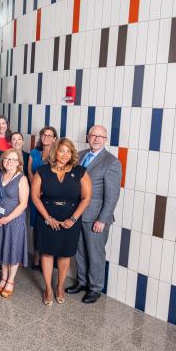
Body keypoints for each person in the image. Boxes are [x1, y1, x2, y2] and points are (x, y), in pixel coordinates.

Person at [31, 138, 92, 306]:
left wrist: (73, 219)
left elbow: (86, 198)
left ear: (72, 153)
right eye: (61, 150)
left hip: (70, 218)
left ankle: (60, 287)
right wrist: (47, 218)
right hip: (47, 216)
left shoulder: (80, 172)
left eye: (68, 151)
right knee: (47, 253)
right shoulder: (42, 171)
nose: (65, 154)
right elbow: (35, 196)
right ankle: (48, 289)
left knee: (65, 254)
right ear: (55, 152)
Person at [66, 125, 122, 304]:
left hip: (96, 218)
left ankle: (95, 288)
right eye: (93, 135)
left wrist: (102, 220)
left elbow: (112, 196)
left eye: (101, 136)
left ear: (106, 140)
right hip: (77, 214)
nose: (96, 139)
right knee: (79, 251)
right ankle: (82, 282)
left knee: (95, 254)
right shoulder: (80, 156)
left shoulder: (112, 162)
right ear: (88, 137)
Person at [0, 149, 30, 298]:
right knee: (2, 248)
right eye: (6, 159)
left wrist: (8, 218)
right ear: (2, 161)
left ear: (18, 162)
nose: (9, 162)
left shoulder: (22, 179)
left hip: (14, 220)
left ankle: (11, 280)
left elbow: (23, 204)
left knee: (12, 249)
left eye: (12, 159)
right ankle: (3, 277)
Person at [28, 126, 58, 269]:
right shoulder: (34, 152)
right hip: (35, 196)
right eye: (43, 135)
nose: (46, 137)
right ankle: (36, 258)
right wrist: (36, 188)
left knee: (49, 225)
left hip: (49, 196)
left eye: (49, 135)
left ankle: (48, 258)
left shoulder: (57, 154)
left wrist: (44, 189)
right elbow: (29, 171)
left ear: (54, 138)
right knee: (36, 226)